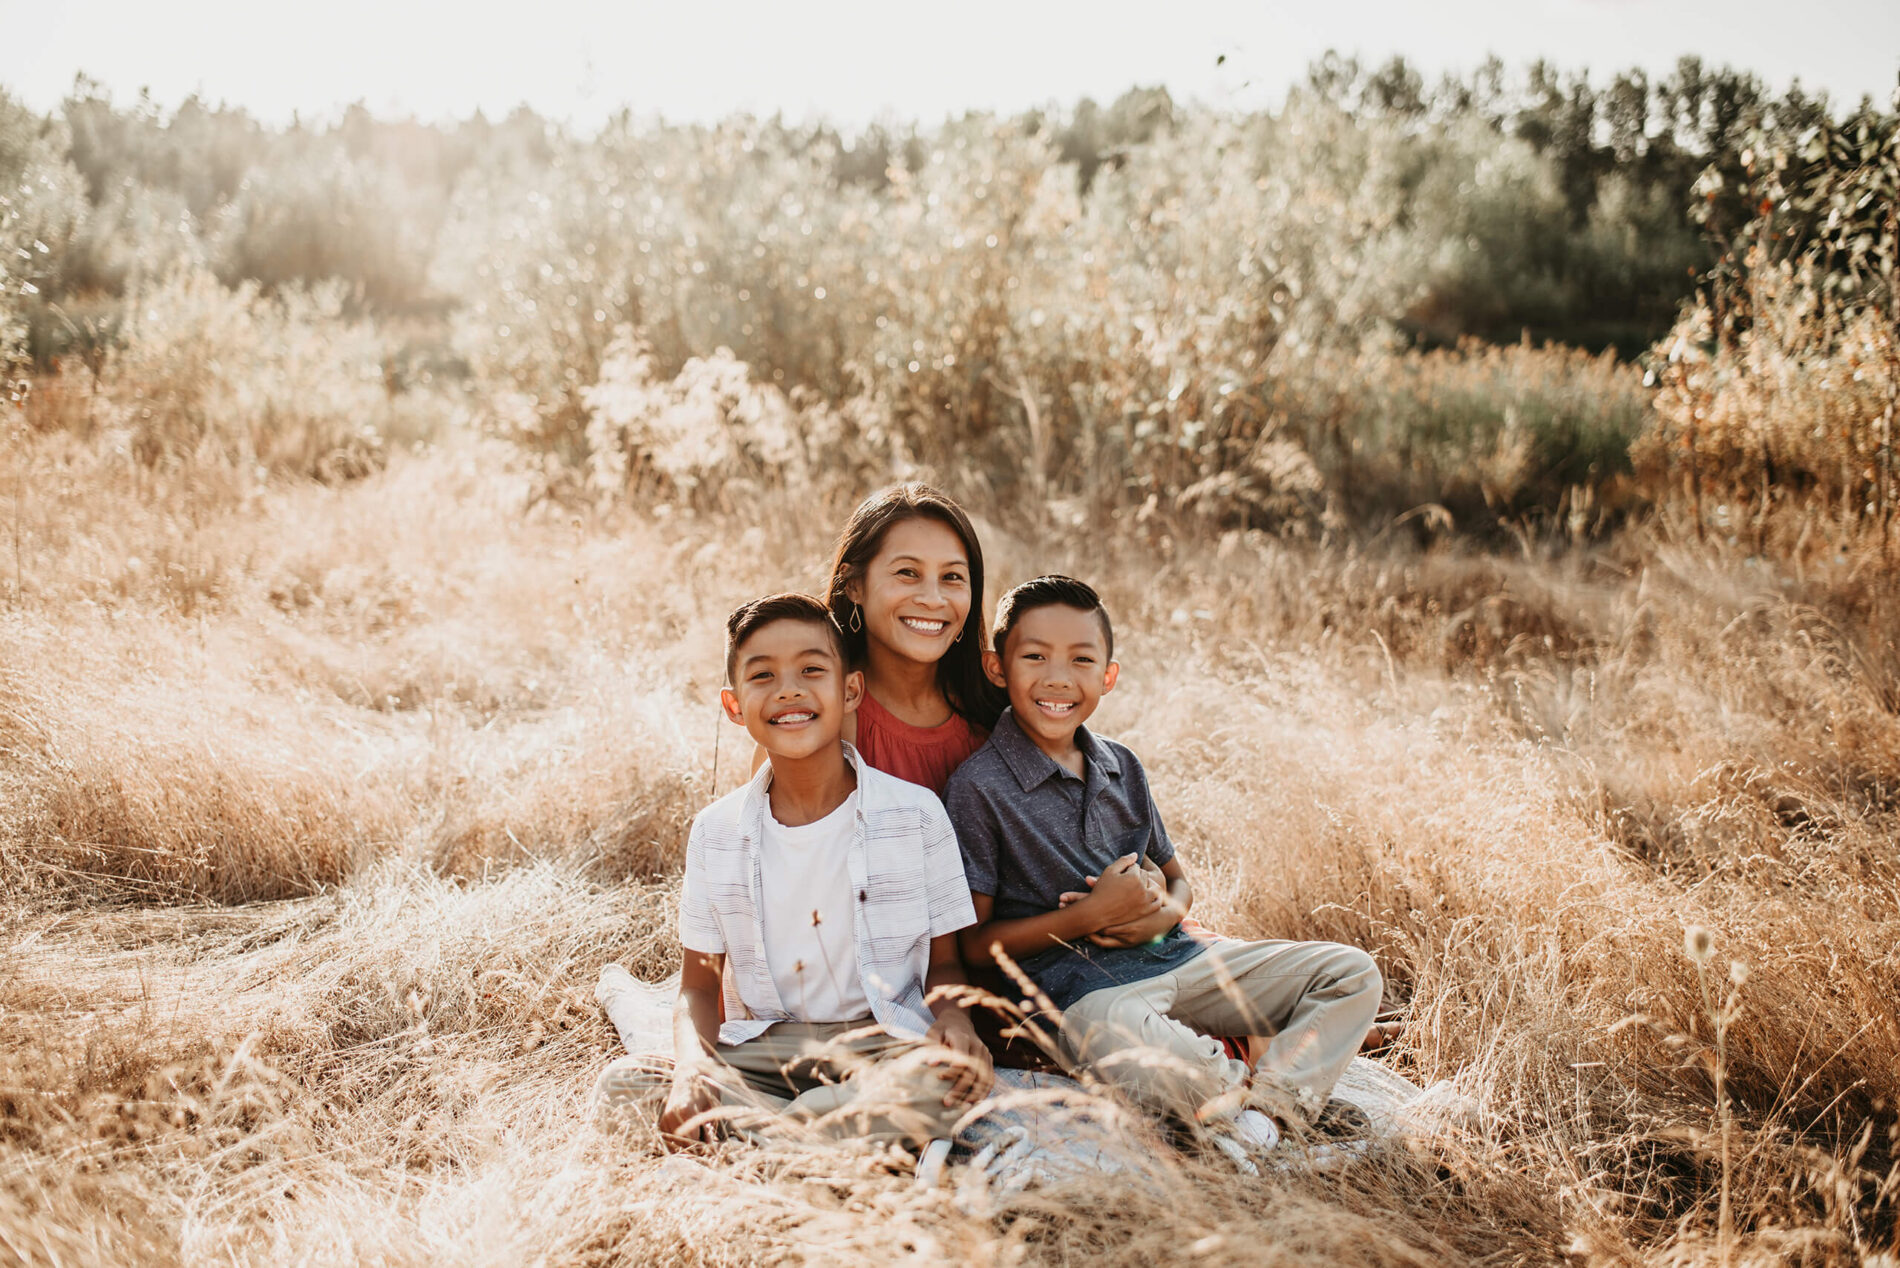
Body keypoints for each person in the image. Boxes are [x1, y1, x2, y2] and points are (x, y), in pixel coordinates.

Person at [943, 575, 1384, 1158]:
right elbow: (975, 946)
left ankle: (1267, 1116)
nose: (1057, 678)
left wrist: (1162, 912)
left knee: (1350, 973)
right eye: (1035, 657)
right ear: (997, 668)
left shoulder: (1121, 766)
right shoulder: (979, 787)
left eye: (1080, 659)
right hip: (1084, 998)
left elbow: (1177, 883)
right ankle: (1258, 1109)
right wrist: (1087, 917)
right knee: (1125, 1039)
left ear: (1108, 676)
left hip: (1180, 957)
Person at [597, 592, 994, 1150]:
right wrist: (691, 1073)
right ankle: (814, 1142)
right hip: (770, 1045)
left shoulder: (914, 815)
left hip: (885, 1043)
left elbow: (946, 965)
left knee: (942, 1085)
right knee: (627, 1086)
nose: (789, 690)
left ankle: (773, 1142)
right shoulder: (717, 832)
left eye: (812, 669)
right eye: (764, 676)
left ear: (850, 690)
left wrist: (955, 1020)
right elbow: (698, 988)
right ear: (734, 706)